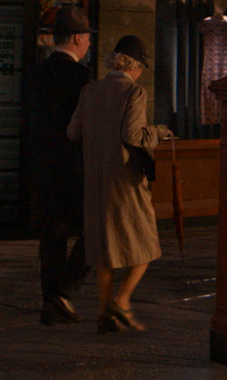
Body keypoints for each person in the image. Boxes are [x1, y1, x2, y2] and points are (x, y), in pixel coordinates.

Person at [67, 35, 171, 333]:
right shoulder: (134, 92)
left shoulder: (90, 91)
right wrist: (159, 131)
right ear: (135, 66)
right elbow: (133, 136)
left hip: (95, 182)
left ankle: (105, 315)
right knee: (147, 243)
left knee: (104, 252)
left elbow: (73, 132)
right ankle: (121, 301)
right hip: (125, 183)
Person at [22, 5, 93, 325]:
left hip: (42, 166)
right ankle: (64, 292)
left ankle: (51, 301)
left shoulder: (35, 74)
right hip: (74, 167)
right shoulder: (81, 77)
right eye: (87, 38)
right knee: (97, 229)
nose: (88, 43)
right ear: (77, 38)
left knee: (52, 235)